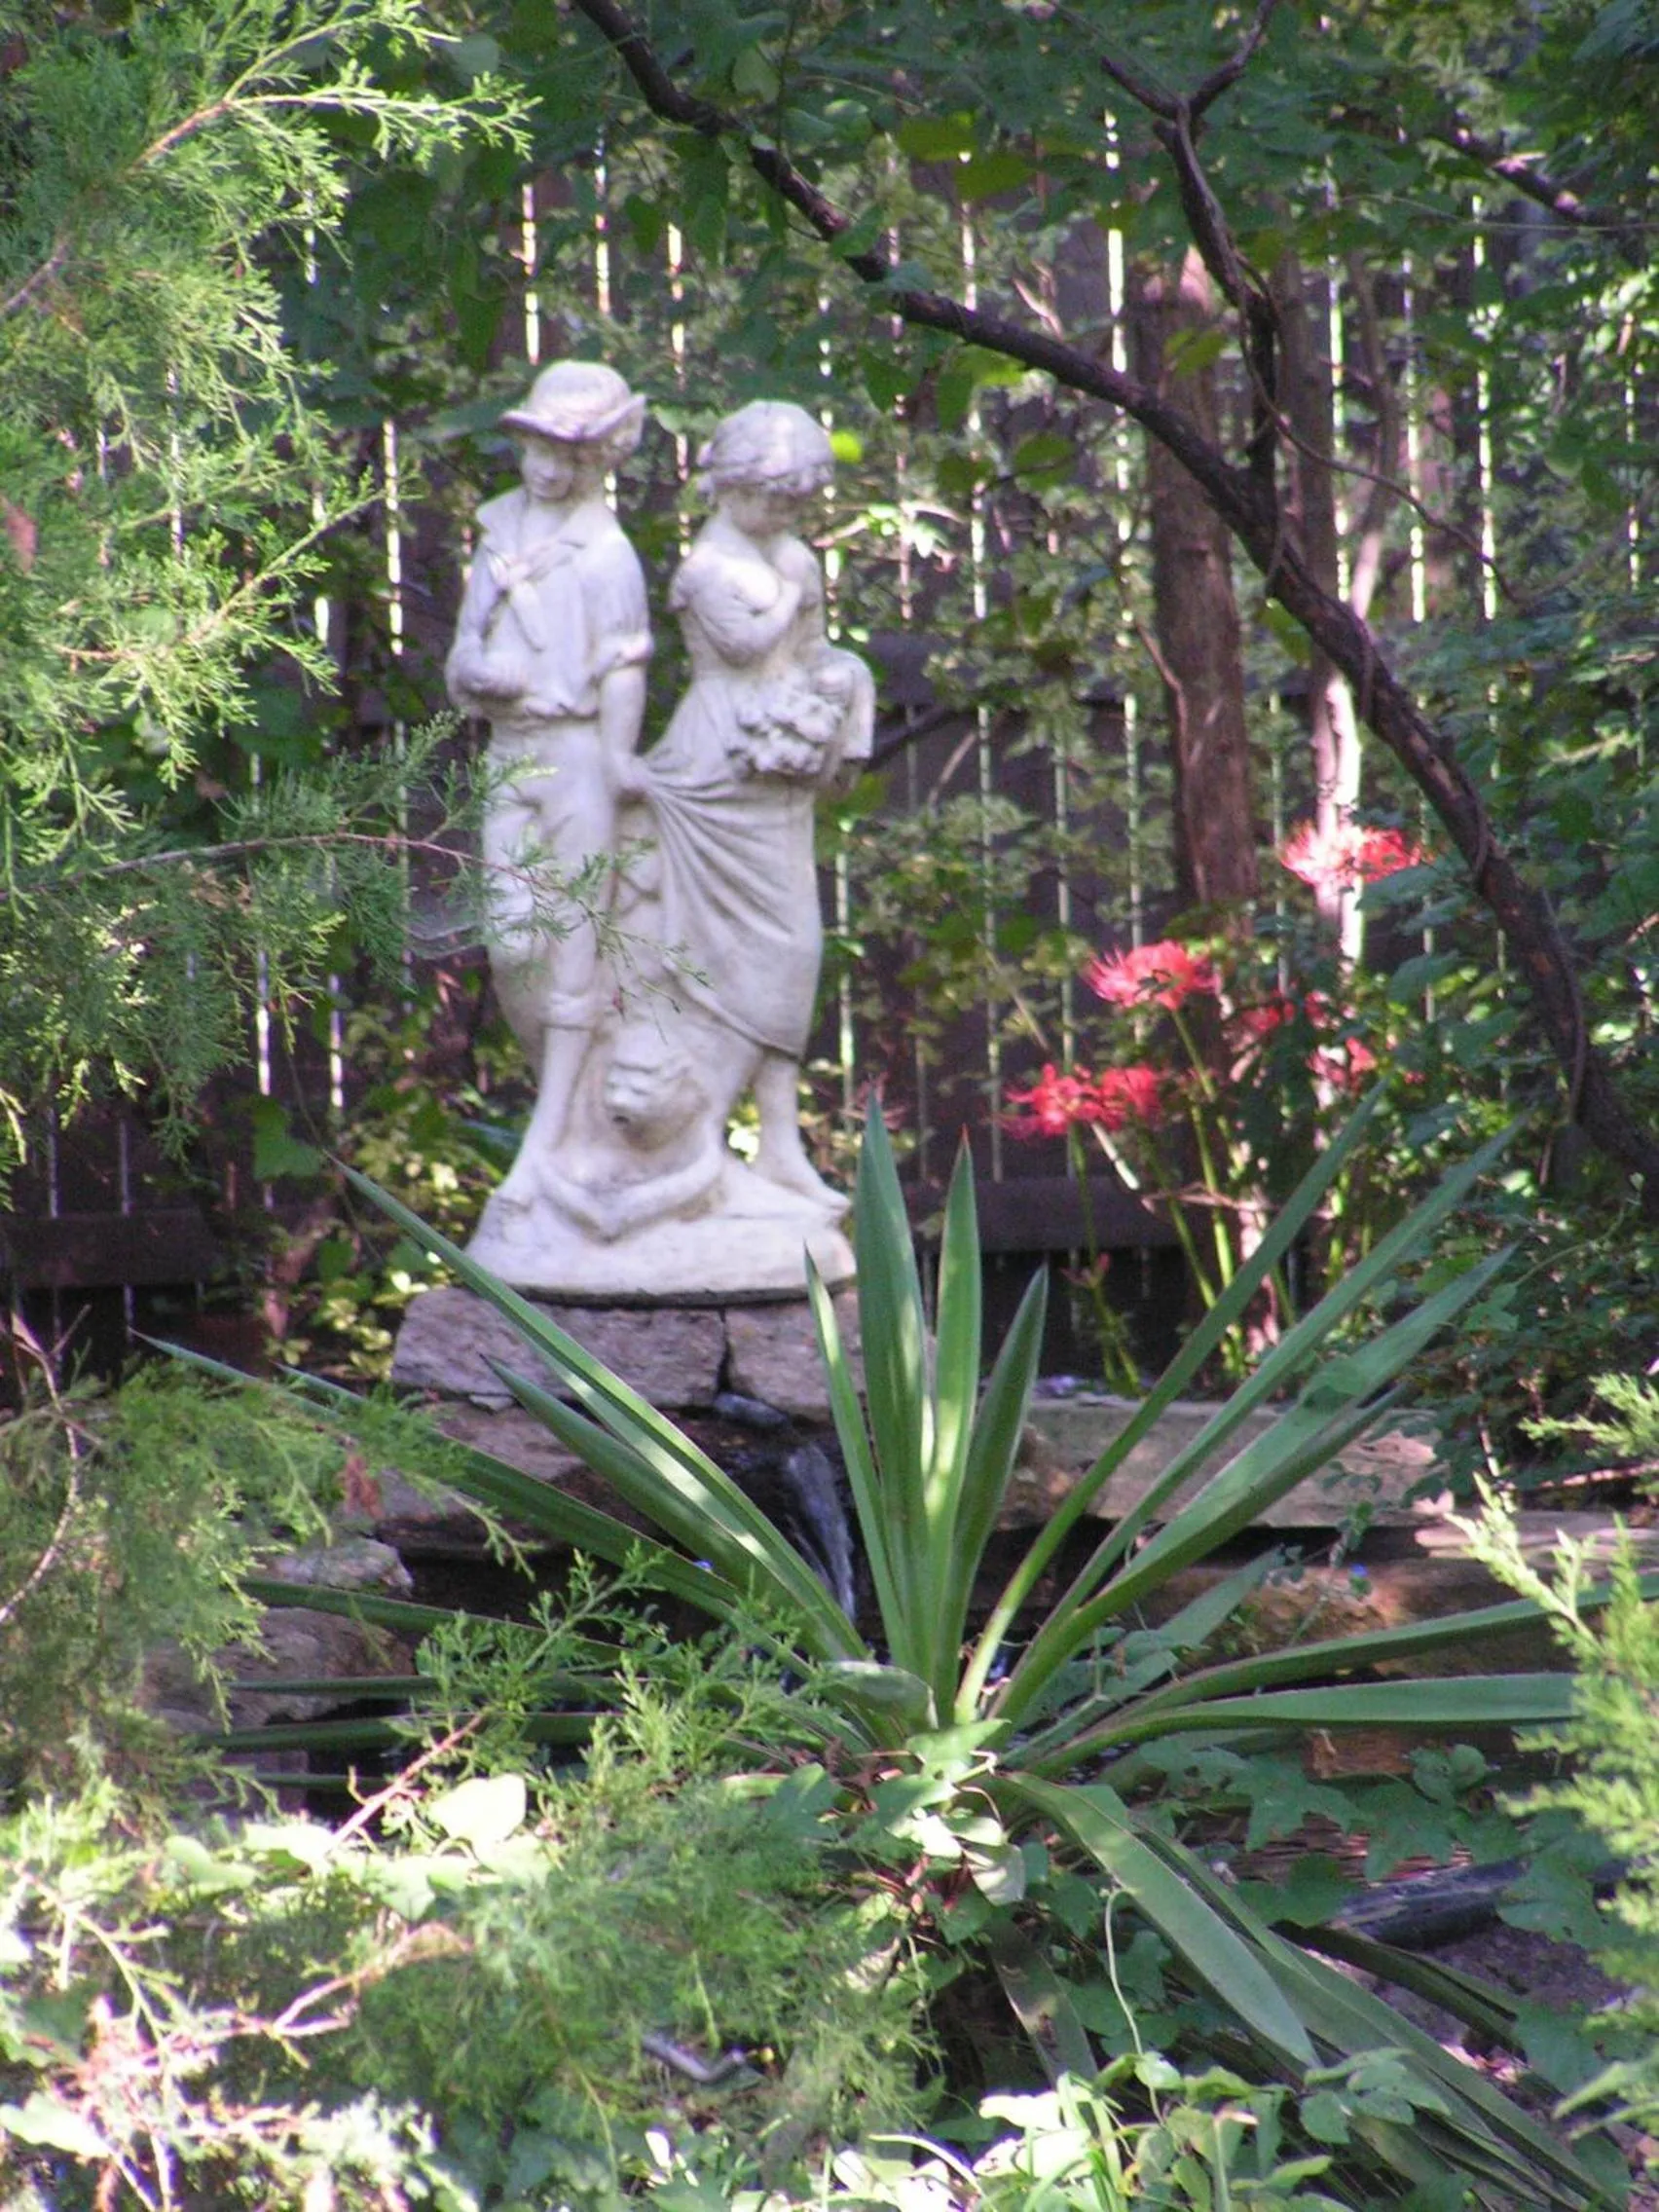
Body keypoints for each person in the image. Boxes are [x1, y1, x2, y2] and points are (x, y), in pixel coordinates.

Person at [642, 400, 873, 1212]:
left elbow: (808, 655)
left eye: (796, 502)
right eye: (772, 498)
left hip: (778, 765)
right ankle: (692, 1144)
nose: (785, 514)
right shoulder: (708, 567)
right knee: (705, 961)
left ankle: (780, 1146)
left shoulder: (795, 556)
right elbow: (744, 648)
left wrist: (847, 696)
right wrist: (788, 592)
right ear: (730, 486)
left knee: (793, 949)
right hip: (716, 763)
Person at [445, 360, 649, 1208]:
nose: (546, 465)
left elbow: (626, 661)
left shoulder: (607, 553)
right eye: (536, 444)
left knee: (573, 943)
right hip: (510, 752)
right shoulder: (496, 536)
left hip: (575, 758)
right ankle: (561, 1110)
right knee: (511, 942)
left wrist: (620, 759)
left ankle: (552, 1140)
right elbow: (462, 653)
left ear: (600, 457)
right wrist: (479, 673)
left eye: (567, 451)